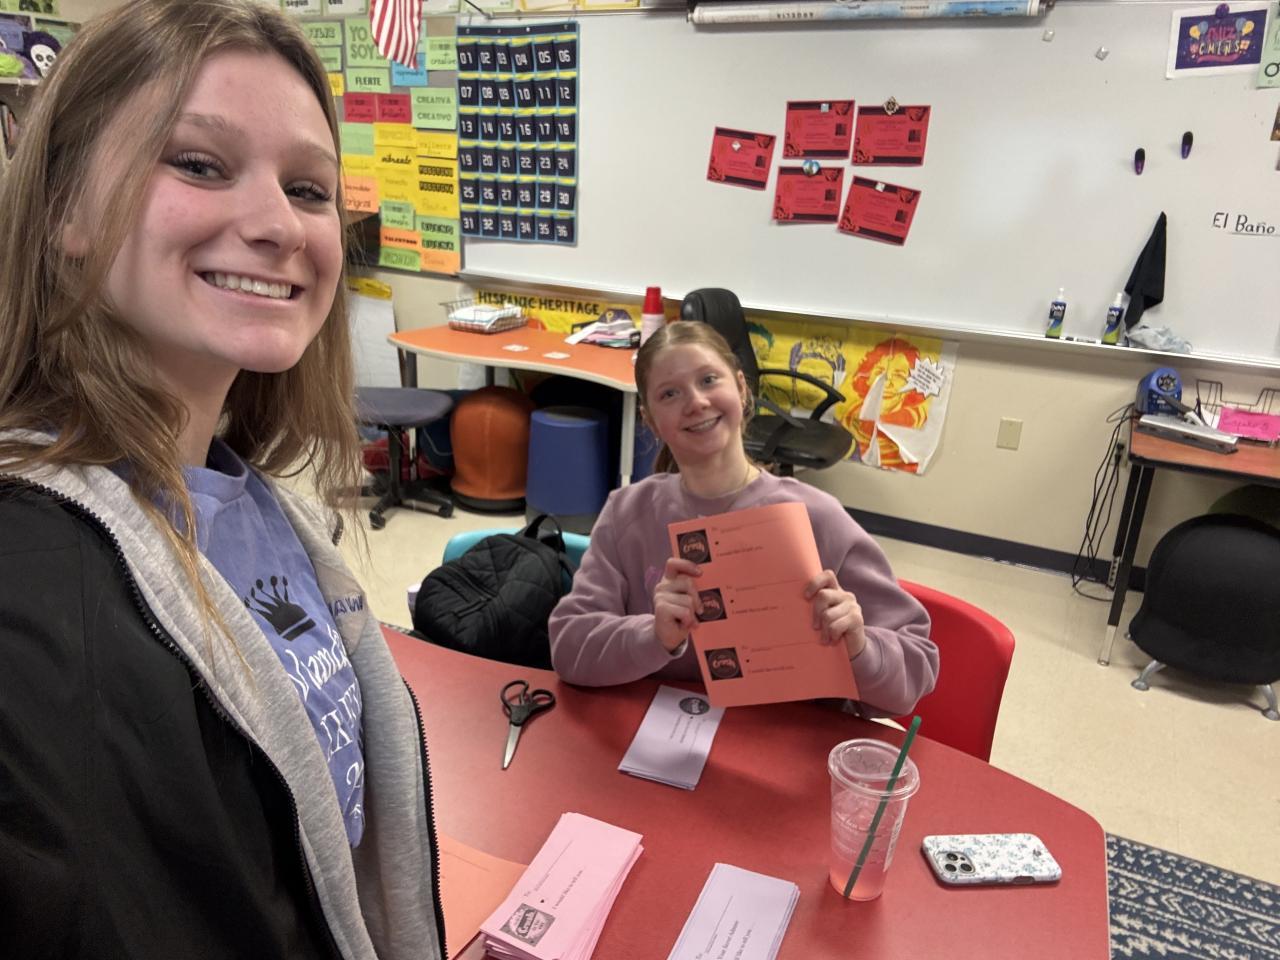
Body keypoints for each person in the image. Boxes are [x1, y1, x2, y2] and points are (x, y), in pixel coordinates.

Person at [0, 3, 443, 958]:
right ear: (67, 208)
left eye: (309, 189)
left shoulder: (263, 504)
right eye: (200, 164)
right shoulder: (27, 579)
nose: (280, 225)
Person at [549, 322, 938, 717]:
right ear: (650, 420)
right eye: (670, 393)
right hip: (652, 738)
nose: (696, 402)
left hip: (783, 741)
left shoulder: (818, 518)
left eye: (708, 379)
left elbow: (912, 675)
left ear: (740, 387)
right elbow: (568, 648)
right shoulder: (626, 514)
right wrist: (653, 635)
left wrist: (860, 646)